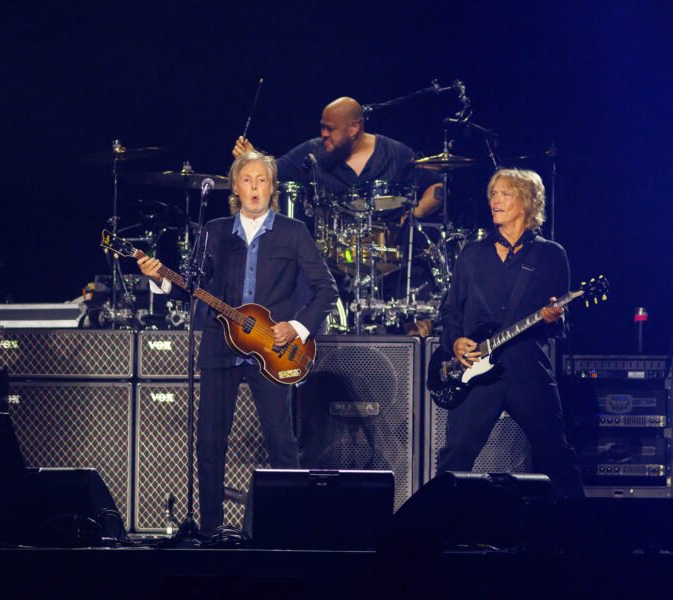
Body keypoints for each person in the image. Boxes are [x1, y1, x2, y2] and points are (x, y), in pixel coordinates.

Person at [138, 150, 338, 534]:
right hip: (219, 346)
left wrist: (296, 327)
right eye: (247, 180)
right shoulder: (213, 231)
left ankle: (288, 527)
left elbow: (325, 290)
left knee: (282, 444)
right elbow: (192, 289)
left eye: (262, 180)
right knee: (210, 444)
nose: (255, 188)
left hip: (273, 350)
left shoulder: (293, 232)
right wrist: (159, 278)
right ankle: (211, 530)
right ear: (235, 187)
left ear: (273, 187)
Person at [437, 168, 583, 497]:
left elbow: (561, 324)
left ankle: (577, 534)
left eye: (505, 193)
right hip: (477, 371)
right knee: (455, 457)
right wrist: (456, 341)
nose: (495, 200)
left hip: (526, 369)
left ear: (528, 203)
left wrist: (552, 318)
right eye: (493, 194)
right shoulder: (472, 254)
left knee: (556, 454)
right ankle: (437, 535)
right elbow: (449, 312)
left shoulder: (550, 254)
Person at [232, 96, 443, 219]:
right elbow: (271, 172)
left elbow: (438, 187)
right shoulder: (313, 152)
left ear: (354, 128)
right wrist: (251, 159)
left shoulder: (395, 153)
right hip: (330, 270)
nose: (323, 134)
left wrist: (417, 213)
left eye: (330, 129)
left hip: (391, 266)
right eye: (322, 127)